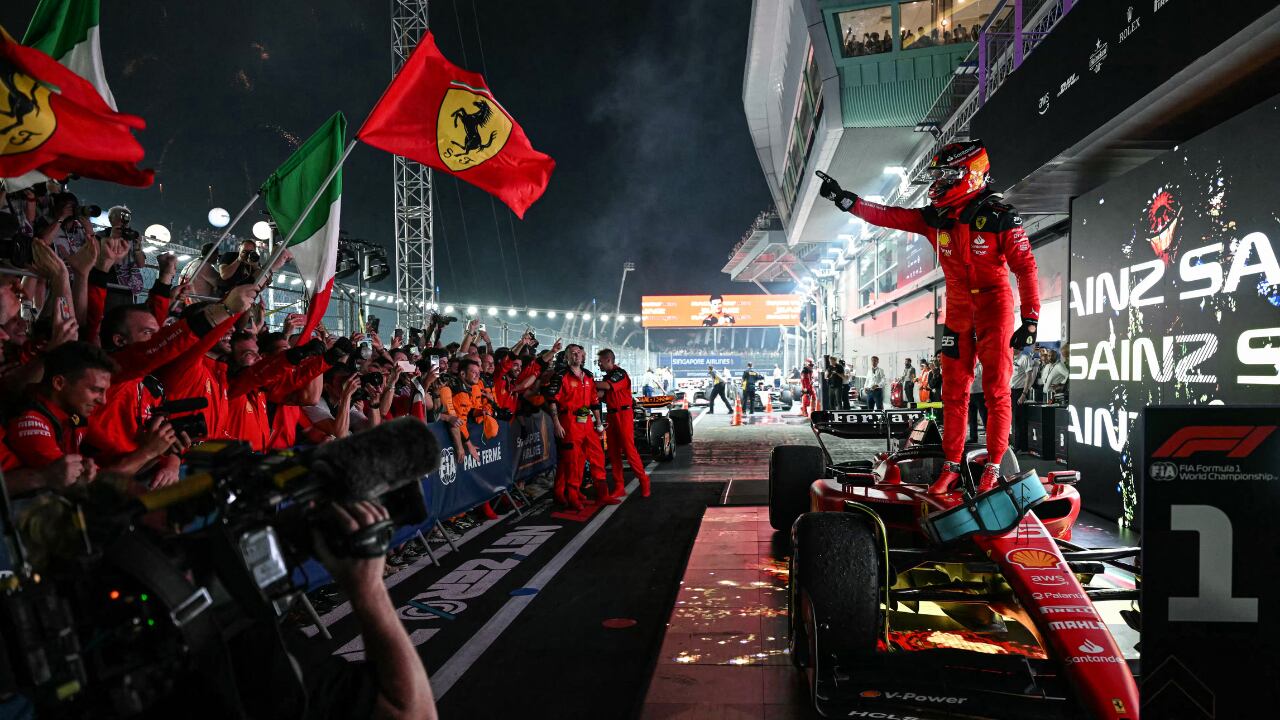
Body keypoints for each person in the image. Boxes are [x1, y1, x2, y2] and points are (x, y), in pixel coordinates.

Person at [820, 138, 1040, 494]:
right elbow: (888, 216)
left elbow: (1026, 269)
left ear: (969, 174)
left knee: (996, 390)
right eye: (937, 175)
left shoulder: (1002, 217)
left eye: (947, 175)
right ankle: (951, 466)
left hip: (994, 305)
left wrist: (1030, 318)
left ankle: (993, 468)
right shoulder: (934, 217)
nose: (938, 183)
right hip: (956, 308)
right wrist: (848, 201)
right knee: (954, 391)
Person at [547, 344, 609, 509]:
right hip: (569, 420)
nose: (576, 356)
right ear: (567, 357)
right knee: (573, 460)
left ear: (583, 356)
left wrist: (599, 423)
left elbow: (594, 401)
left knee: (596, 454)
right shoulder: (560, 376)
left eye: (578, 353)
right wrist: (557, 424)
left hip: (586, 420)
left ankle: (603, 493)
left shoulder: (588, 376)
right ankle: (572, 495)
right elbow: (552, 401)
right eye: (572, 353)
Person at [595, 348, 651, 498]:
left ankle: (644, 480)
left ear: (608, 360)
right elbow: (600, 393)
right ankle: (619, 486)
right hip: (612, 415)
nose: (598, 364)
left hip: (623, 414)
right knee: (613, 453)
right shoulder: (608, 376)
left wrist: (587, 382)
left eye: (600, 361)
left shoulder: (620, 373)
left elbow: (606, 387)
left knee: (629, 450)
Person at [1010, 347, 1034, 451]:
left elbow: (1029, 377)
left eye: (1013, 347)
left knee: (1019, 420)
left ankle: (1020, 446)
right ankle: (1015, 444)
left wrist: (1024, 394)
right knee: (1012, 420)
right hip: (1009, 391)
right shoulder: (1010, 357)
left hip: (1019, 392)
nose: (1011, 349)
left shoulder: (1025, 358)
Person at [968, 361, 988, 443]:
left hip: (980, 394)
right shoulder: (968, 366)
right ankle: (973, 438)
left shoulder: (981, 366)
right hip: (970, 394)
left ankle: (990, 436)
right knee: (972, 418)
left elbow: (986, 379)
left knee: (985, 416)